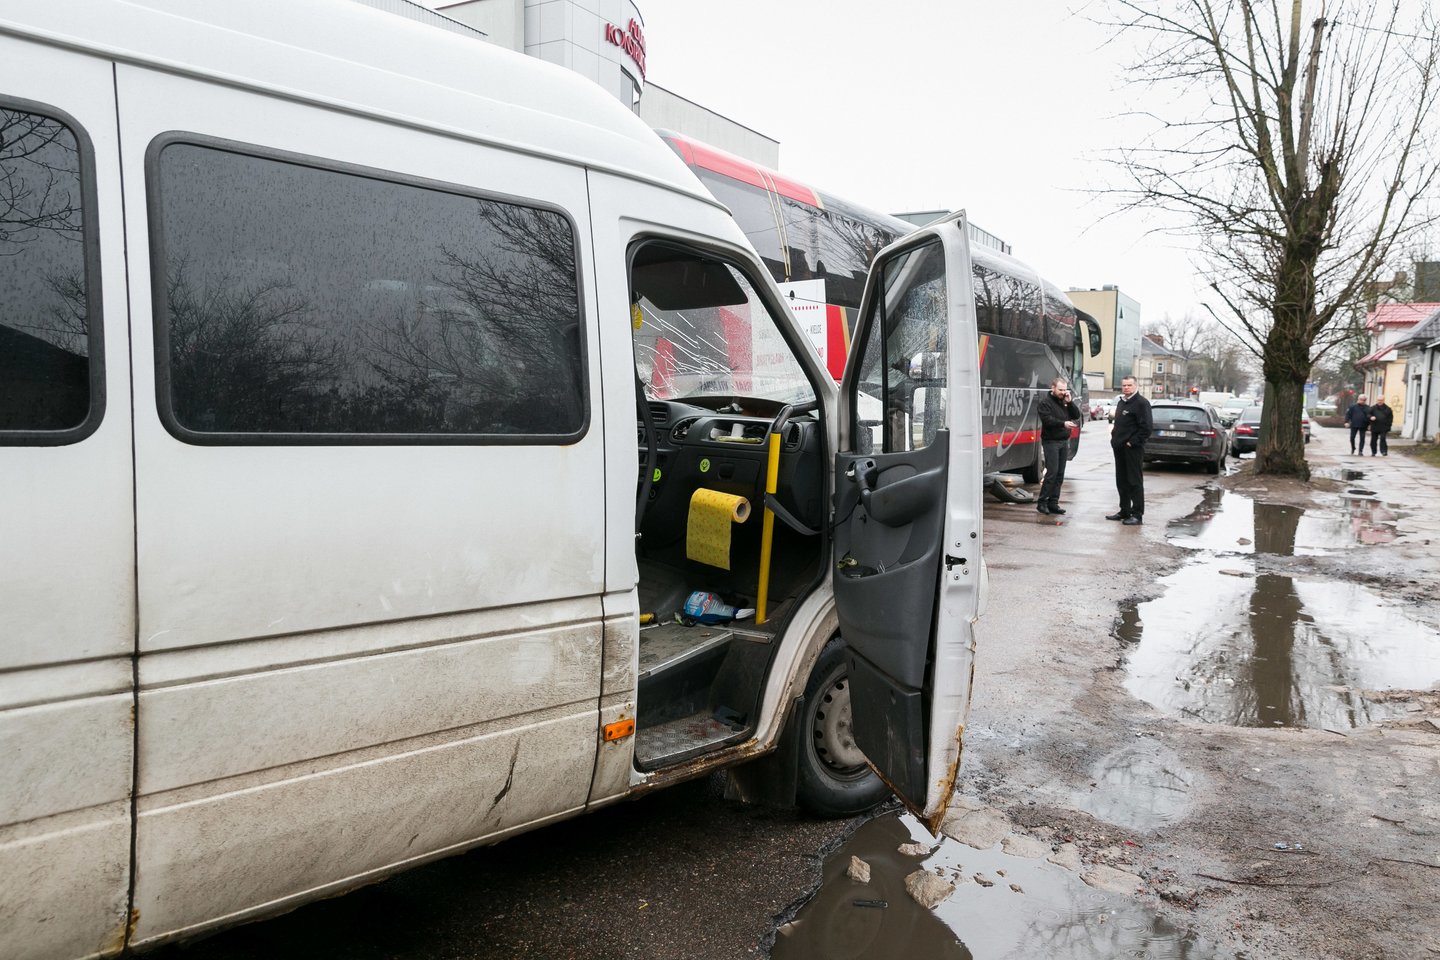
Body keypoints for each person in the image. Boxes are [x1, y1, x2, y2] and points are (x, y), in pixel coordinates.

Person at [1107, 376, 1151, 525]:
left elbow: (1146, 428)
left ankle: (1137, 514)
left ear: (1135, 386)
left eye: (1129, 385)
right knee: (1121, 481)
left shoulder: (1141, 403)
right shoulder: (1121, 402)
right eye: (1124, 385)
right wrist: (1114, 439)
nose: (1126, 388)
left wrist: (1132, 442)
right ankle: (1124, 510)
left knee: (1134, 481)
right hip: (1119, 448)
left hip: (1132, 449)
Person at [1035, 376, 1082, 515]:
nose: (1063, 392)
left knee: (1060, 474)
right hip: (1051, 442)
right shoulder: (1045, 403)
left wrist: (1070, 402)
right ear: (1053, 388)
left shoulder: (1064, 402)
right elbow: (1047, 420)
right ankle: (1042, 502)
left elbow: (1076, 415)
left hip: (1063, 441)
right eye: (1060, 390)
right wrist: (1063, 423)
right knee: (1052, 473)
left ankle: (1053, 503)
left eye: (1065, 390)